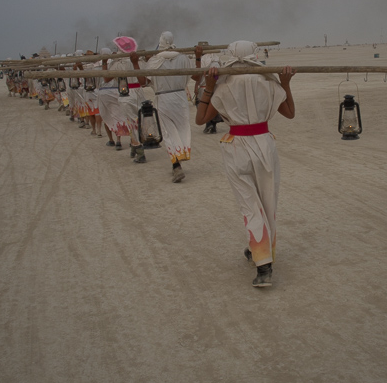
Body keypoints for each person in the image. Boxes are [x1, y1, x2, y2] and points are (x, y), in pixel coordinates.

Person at [195, 41, 296, 288]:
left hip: (237, 147)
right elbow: (290, 112)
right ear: (255, 55)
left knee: (249, 204)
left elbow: (200, 119)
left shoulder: (224, 84)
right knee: (267, 202)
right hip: (265, 144)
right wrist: (285, 84)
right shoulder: (267, 80)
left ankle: (263, 265)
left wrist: (208, 88)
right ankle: (261, 252)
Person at [132, 31, 193, 183]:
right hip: (180, 98)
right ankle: (181, 155)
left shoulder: (154, 60)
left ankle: (176, 164)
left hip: (164, 98)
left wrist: (135, 63)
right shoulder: (183, 57)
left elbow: (143, 82)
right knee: (182, 128)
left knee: (168, 132)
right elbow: (193, 76)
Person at [110, 36, 147, 163]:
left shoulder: (117, 63)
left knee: (132, 123)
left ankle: (139, 150)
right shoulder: (139, 60)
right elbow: (144, 80)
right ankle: (134, 146)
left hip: (125, 94)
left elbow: (107, 78)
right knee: (140, 121)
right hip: (140, 93)